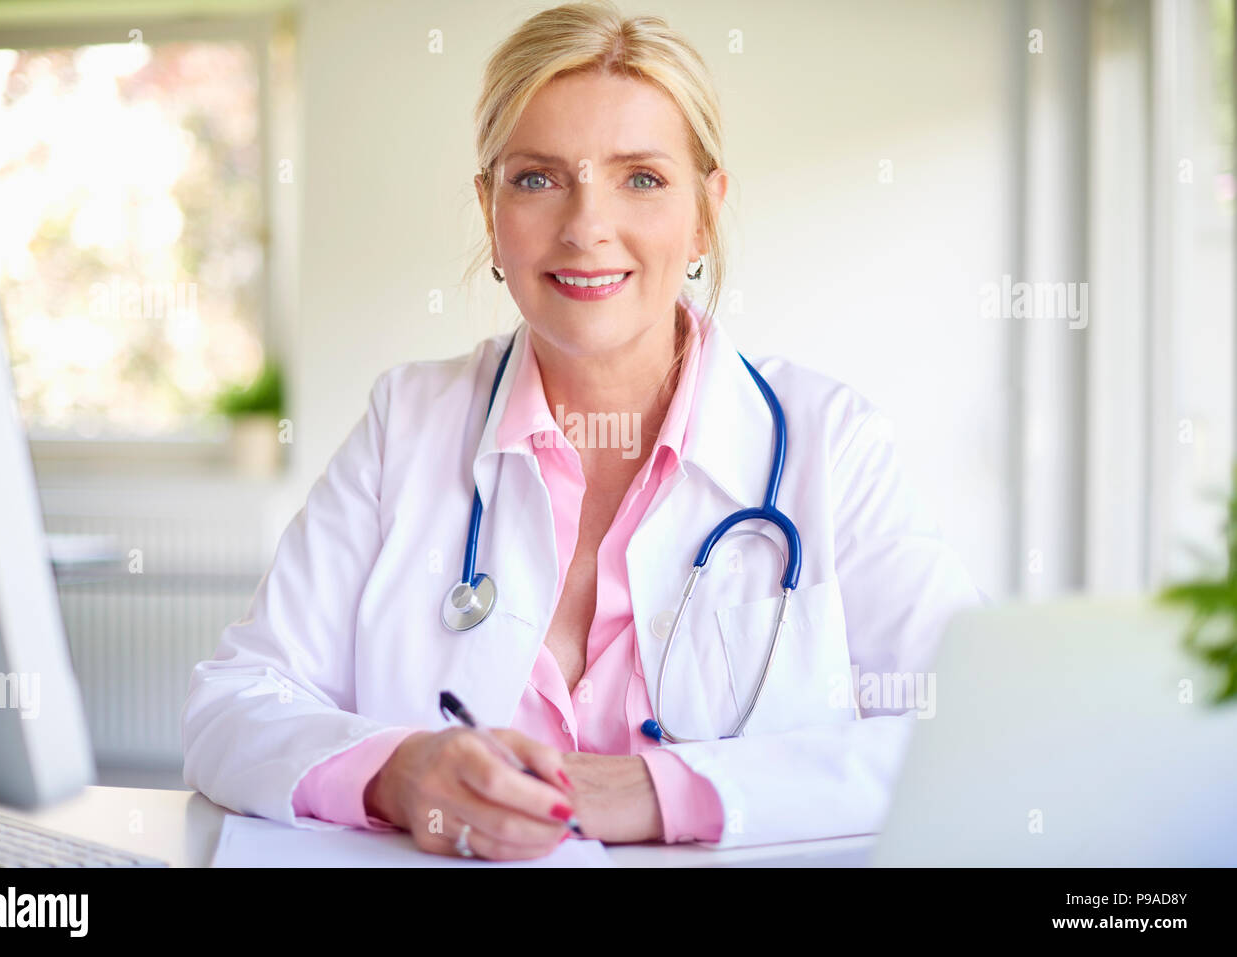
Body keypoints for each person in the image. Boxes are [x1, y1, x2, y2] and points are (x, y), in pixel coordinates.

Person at [182, 0, 982, 861]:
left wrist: (663, 788)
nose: (586, 225)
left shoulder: (831, 443)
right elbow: (233, 704)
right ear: (491, 209)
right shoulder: (405, 424)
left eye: (641, 177)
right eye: (538, 177)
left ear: (705, 212)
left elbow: (978, 729)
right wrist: (398, 772)